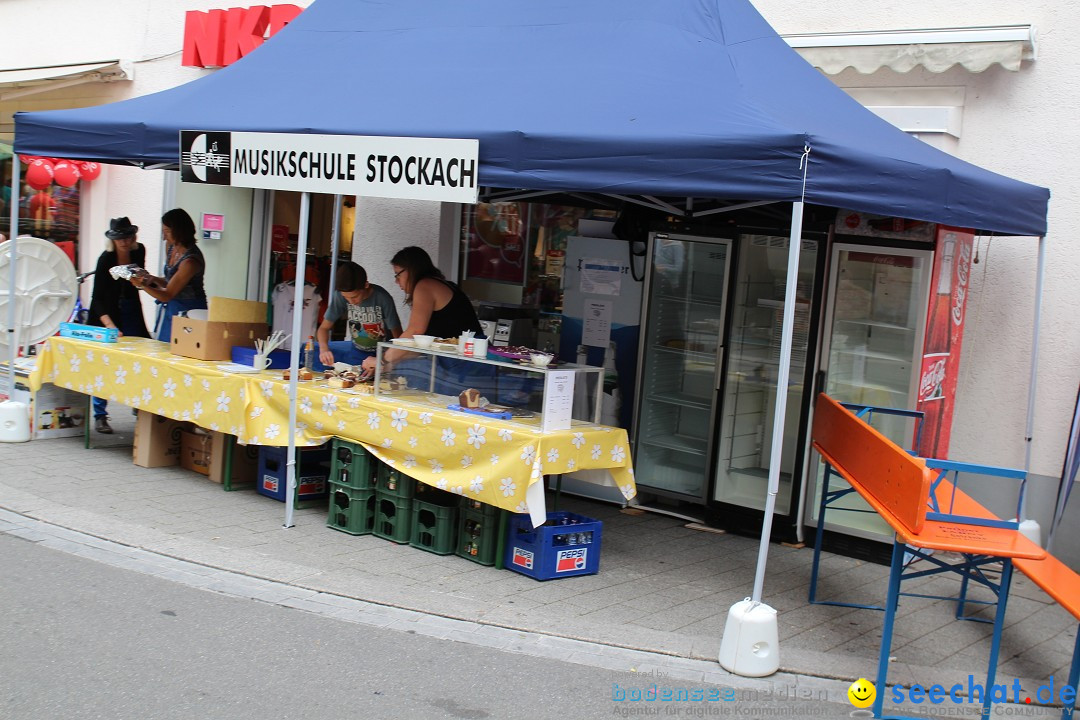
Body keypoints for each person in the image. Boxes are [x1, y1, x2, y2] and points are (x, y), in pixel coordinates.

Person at [361, 246, 483, 375]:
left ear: (411, 270)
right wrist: (390, 363)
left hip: (467, 364)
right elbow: (419, 344)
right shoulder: (439, 284)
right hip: (466, 360)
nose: (396, 281)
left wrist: (382, 360)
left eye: (398, 275)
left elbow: (415, 331)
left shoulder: (425, 286)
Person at [88, 217, 151, 434]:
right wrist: (109, 325)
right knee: (104, 364)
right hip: (108, 312)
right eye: (119, 239)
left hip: (132, 308)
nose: (123, 242)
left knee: (140, 357)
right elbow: (96, 298)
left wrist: (143, 280)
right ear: (112, 240)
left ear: (133, 237)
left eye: (126, 237)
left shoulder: (139, 251)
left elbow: (140, 281)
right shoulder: (105, 259)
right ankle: (100, 414)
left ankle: (139, 406)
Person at [129, 209, 207, 342]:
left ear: (179, 231)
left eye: (167, 231)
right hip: (172, 307)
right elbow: (170, 281)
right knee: (163, 347)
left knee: (182, 348)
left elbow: (167, 294)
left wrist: (141, 285)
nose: (164, 237)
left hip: (189, 311)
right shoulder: (171, 247)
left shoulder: (190, 262)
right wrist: (150, 279)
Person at [314, 261, 402, 370]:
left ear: (366, 285)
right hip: (357, 352)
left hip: (382, 355)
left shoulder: (383, 298)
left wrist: (383, 362)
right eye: (346, 298)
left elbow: (399, 338)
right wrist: (324, 349)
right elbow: (323, 328)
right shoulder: (339, 295)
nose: (351, 302)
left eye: (355, 296)